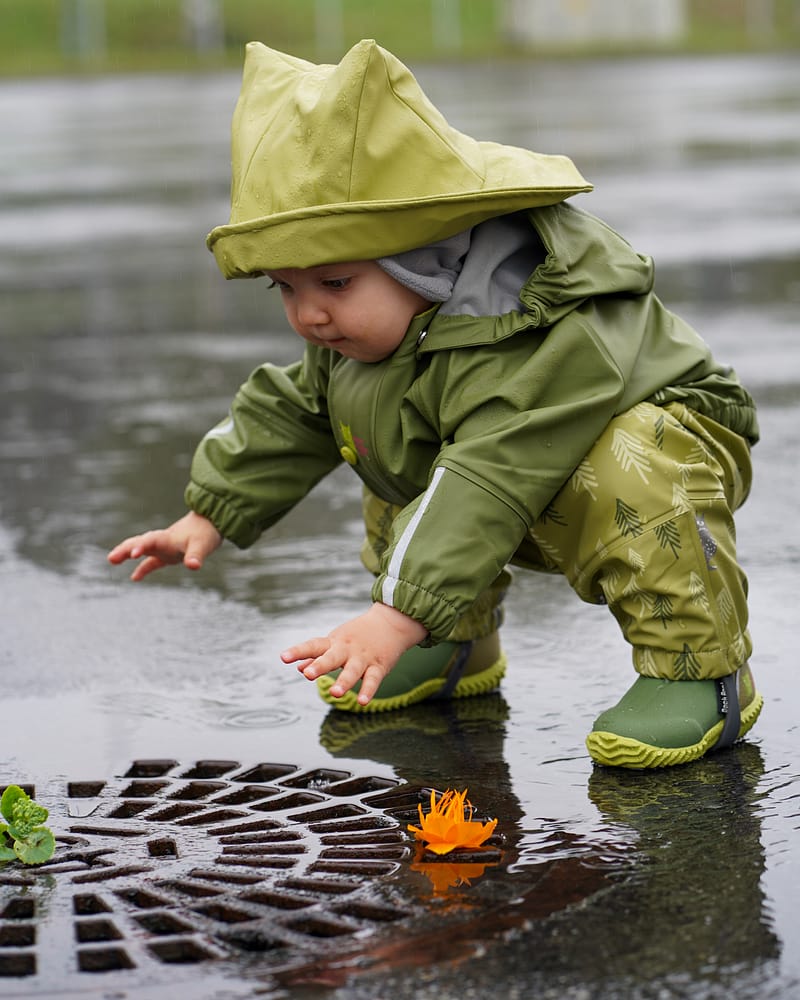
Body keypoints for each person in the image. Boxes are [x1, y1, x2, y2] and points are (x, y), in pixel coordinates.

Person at [108, 39, 763, 769]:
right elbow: (295, 409)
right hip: (503, 471)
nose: (308, 316)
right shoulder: (372, 335)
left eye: (333, 283)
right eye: (286, 288)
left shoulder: (533, 329)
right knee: (385, 433)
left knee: (629, 458)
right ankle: (453, 642)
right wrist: (211, 509)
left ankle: (700, 673)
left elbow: (491, 471)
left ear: (425, 261)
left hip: (663, 446)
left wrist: (393, 614)